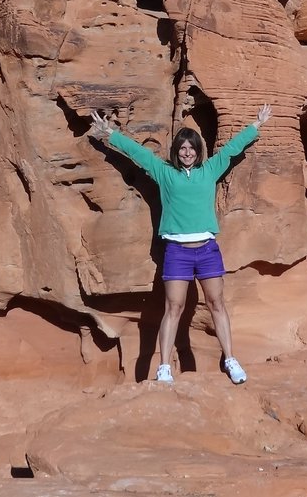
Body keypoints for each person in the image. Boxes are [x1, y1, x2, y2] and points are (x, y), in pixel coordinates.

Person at [88, 104, 272, 385]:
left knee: (217, 304)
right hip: (176, 251)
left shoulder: (210, 170)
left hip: (207, 249)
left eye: (192, 148)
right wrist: (109, 134)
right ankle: (164, 368)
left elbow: (231, 150)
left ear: (198, 152)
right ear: (177, 151)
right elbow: (138, 154)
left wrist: (256, 125)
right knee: (173, 307)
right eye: (183, 148)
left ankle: (230, 359)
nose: (187, 153)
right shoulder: (165, 173)